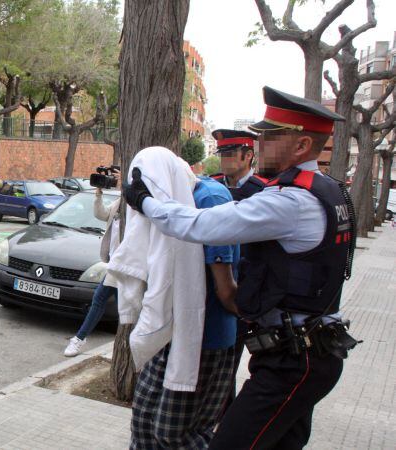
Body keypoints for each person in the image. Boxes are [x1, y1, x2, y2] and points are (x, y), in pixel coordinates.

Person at [123, 86, 359, 449]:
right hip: (305, 352)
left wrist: (145, 201)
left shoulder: (291, 202)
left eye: (269, 137)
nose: (258, 145)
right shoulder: (329, 191)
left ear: (300, 146)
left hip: (293, 360)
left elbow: (200, 226)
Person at [131, 174, 239, 449]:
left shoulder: (209, 197)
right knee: (143, 425)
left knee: (173, 433)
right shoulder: (169, 197)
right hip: (167, 334)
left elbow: (226, 289)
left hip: (205, 339)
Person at [209, 128, 267, 409]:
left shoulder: (262, 191)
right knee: (213, 364)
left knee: (231, 362)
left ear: (248, 156)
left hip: (243, 290)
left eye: (231, 153)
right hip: (213, 285)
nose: (225, 159)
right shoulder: (213, 186)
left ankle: (224, 417)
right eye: (222, 153)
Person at [64, 181, 120, 357]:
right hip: (115, 263)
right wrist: (98, 194)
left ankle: (80, 338)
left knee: (115, 304)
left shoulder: (135, 207)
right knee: (103, 300)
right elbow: (101, 214)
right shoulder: (119, 202)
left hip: (126, 264)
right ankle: (80, 338)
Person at [210, 129, 268, 201]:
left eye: (230, 155)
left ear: (248, 155)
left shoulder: (265, 188)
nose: (224, 160)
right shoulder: (212, 184)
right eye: (222, 155)